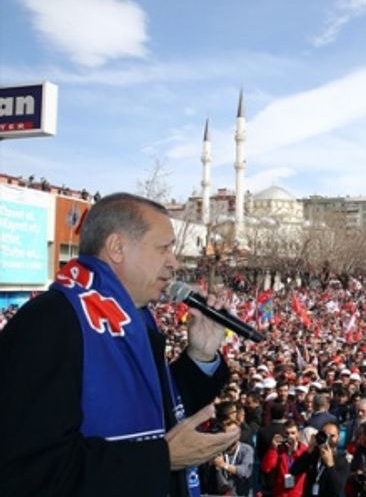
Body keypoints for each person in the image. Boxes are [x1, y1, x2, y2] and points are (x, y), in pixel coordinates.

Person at [0, 192, 238, 496]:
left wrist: (200, 355)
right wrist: (160, 459)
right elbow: (30, 471)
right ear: (116, 248)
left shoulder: (135, 320)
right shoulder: (51, 321)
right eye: (163, 248)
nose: (173, 262)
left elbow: (158, 413)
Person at [289, 421, 350, 497]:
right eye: (325, 435)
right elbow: (294, 470)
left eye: (332, 436)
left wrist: (330, 465)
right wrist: (309, 450)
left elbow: (337, 489)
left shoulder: (342, 461)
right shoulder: (314, 454)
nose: (328, 439)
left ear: (338, 438)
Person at [204, 419, 255, 496]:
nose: (229, 437)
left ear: (239, 435)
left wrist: (223, 465)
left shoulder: (246, 450)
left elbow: (244, 471)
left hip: (240, 493)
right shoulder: (218, 450)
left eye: (233, 434)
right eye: (227, 434)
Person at [261, 419, 308, 497]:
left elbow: (304, 466)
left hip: (298, 492)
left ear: (298, 434)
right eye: (287, 433)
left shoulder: (303, 449)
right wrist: (273, 449)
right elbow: (266, 468)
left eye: (293, 433)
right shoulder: (279, 449)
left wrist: (295, 451)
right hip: (280, 492)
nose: (290, 436)